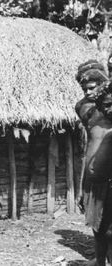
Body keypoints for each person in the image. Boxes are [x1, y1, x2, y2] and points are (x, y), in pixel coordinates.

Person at [75, 60, 112, 266]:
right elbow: (89, 142)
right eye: (84, 88)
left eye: (92, 87)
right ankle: (99, 261)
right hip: (93, 176)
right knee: (97, 224)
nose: (88, 92)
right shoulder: (83, 108)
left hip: (109, 175)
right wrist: (83, 182)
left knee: (109, 228)